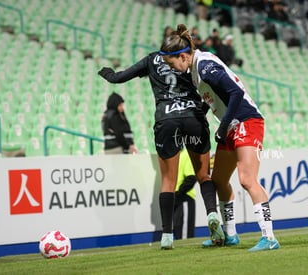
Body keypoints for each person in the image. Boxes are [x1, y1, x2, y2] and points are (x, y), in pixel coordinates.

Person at [160, 24, 281, 252]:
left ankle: (269, 237)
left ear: (183, 56)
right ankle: (231, 235)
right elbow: (213, 99)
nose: (172, 68)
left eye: (172, 63)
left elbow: (235, 93)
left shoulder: (204, 66)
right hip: (230, 125)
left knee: (247, 179)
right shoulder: (195, 69)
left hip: (247, 121)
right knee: (219, 180)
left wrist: (223, 126)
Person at [98, 44, 224, 249]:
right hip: (193, 118)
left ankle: (167, 236)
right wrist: (201, 111)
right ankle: (212, 213)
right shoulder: (188, 58)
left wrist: (109, 74)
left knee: (168, 181)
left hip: (167, 120)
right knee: (204, 176)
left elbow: (119, 78)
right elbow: (210, 88)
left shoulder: (152, 59)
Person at [173, 148, 197, 240]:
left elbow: (191, 178)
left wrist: (178, 194)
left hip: (184, 199)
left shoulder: (186, 154)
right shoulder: (173, 156)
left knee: (185, 236)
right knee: (178, 232)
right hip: (176, 198)